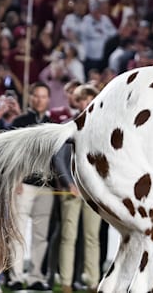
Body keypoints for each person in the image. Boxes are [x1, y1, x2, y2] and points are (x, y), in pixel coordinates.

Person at [9, 81, 59, 289]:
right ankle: (15, 277)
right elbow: (12, 154)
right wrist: (14, 179)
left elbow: (57, 158)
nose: (39, 100)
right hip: (23, 184)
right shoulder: (20, 121)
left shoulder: (53, 124)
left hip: (46, 187)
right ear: (30, 97)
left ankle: (36, 276)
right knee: (17, 232)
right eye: (36, 95)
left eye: (43, 96)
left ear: (48, 99)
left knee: (41, 235)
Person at [54, 85, 103, 293]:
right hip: (72, 191)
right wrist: (68, 183)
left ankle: (93, 283)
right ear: (77, 102)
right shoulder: (69, 125)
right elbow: (59, 157)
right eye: (82, 100)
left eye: (90, 99)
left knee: (92, 238)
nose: (86, 103)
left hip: (94, 192)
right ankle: (66, 284)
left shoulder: (103, 127)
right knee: (68, 237)